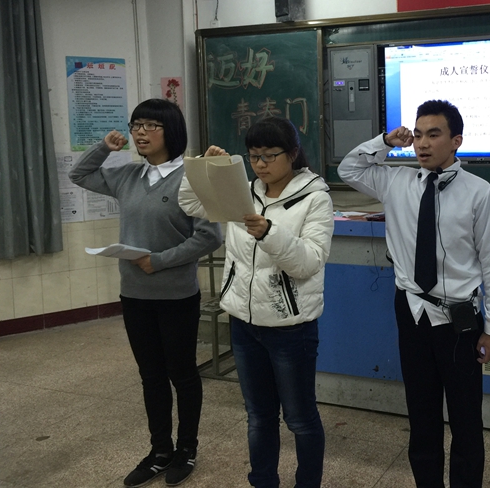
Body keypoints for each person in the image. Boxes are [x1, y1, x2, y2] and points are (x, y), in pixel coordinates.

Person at [338, 99, 490, 488]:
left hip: (459, 319)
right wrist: (386, 141)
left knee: (466, 419)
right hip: (412, 312)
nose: (422, 143)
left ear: (456, 141)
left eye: (434, 135)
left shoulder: (479, 193)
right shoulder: (396, 182)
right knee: (421, 415)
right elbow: (348, 168)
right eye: (417, 135)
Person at [69, 99, 223, 487]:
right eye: (136, 124)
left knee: (181, 374)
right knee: (150, 376)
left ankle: (186, 449)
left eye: (151, 125)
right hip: (135, 295)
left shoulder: (191, 177)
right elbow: (79, 174)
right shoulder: (128, 176)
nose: (140, 132)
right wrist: (105, 147)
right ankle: (159, 451)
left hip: (176, 295)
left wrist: (160, 260)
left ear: (171, 131)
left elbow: (209, 237)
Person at [179, 117, 334, 488]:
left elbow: (309, 262)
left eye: (269, 155)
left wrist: (269, 233)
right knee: (259, 416)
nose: (261, 164)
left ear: (292, 154)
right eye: (253, 156)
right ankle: (263, 481)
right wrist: (202, 167)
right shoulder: (241, 192)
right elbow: (189, 201)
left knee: (299, 418)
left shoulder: (315, 198)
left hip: (289, 328)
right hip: (244, 323)